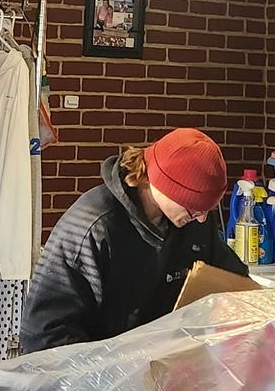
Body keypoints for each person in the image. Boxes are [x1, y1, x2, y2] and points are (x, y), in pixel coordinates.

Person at [21, 128, 245, 351]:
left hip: (163, 367)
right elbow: (43, 335)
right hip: (96, 373)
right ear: (167, 186)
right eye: (195, 208)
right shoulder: (93, 227)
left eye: (206, 210)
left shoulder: (192, 224)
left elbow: (236, 283)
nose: (202, 218)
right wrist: (109, 373)